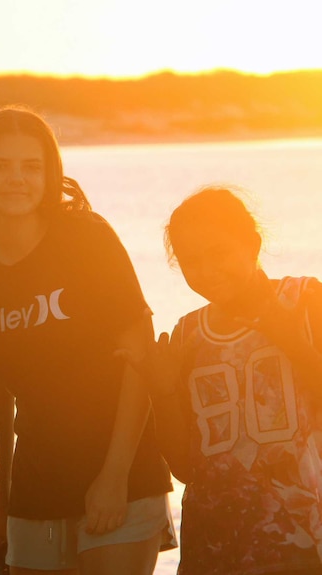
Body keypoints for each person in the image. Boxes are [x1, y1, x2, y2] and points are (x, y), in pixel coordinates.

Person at [0, 105, 174, 575]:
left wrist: (114, 478)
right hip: (36, 484)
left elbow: (138, 359)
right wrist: (0, 502)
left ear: (50, 173)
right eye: (0, 166)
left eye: (30, 166)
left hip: (121, 472)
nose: (16, 179)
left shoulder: (85, 238)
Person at [138, 186, 322, 574]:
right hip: (217, 548)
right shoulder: (188, 334)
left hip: (303, 543)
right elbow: (187, 468)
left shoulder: (305, 300)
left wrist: (288, 336)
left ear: (251, 244)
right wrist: (163, 391)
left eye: (218, 254)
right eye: (191, 262)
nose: (206, 271)